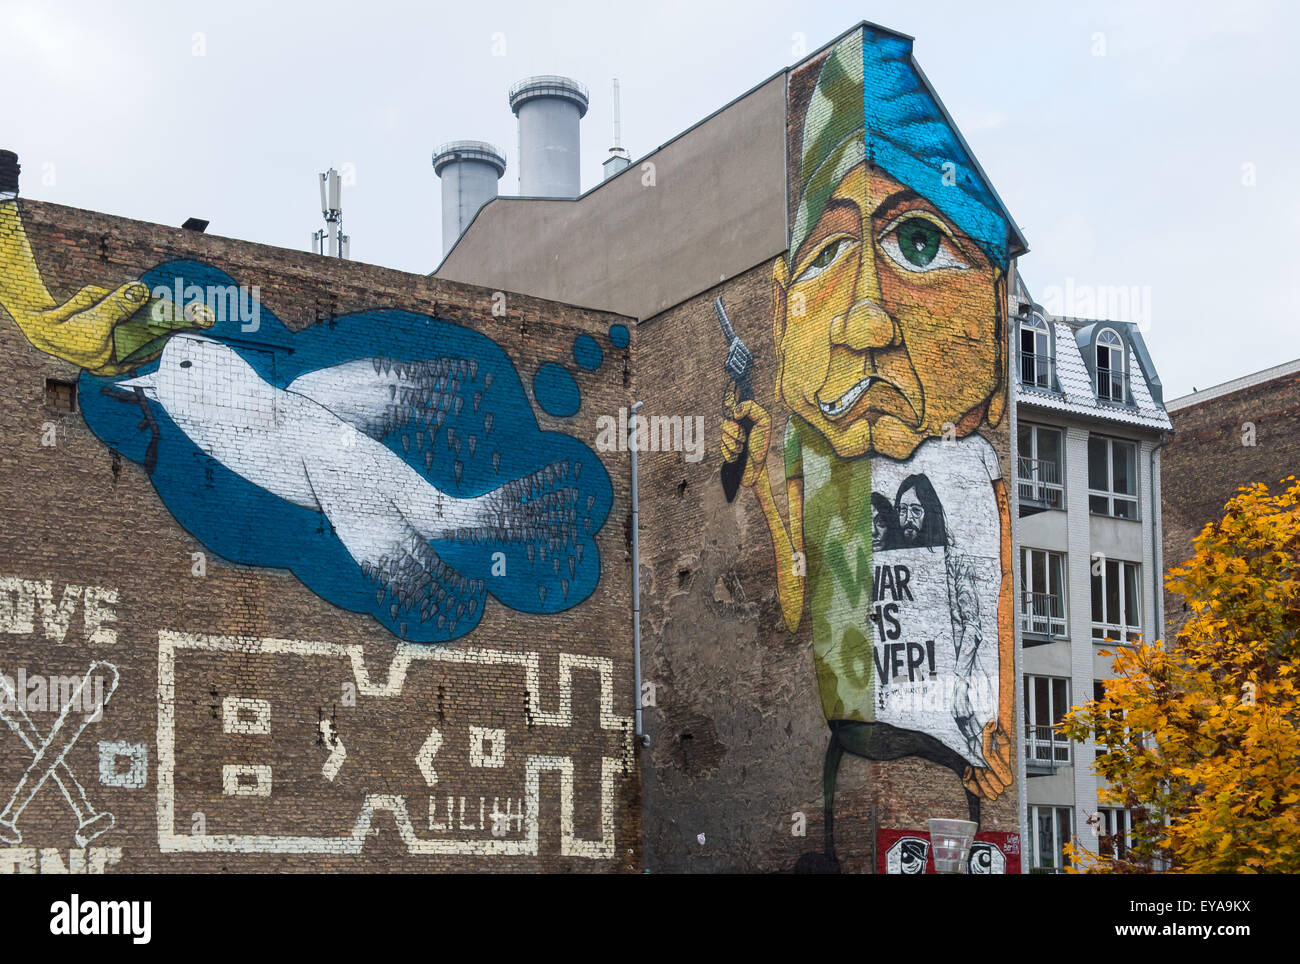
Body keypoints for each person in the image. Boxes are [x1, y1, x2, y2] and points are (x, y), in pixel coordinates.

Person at [720, 27, 1016, 872]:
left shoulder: (975, 465)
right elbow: (791, 607)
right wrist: (764, 486)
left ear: (996, 315)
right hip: (852, 753)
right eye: (830, 254)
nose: (865, 318)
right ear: (782, 316)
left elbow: (995, 596)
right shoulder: (809, 463)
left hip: (958, 763)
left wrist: (998, 721)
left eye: (918, 243)